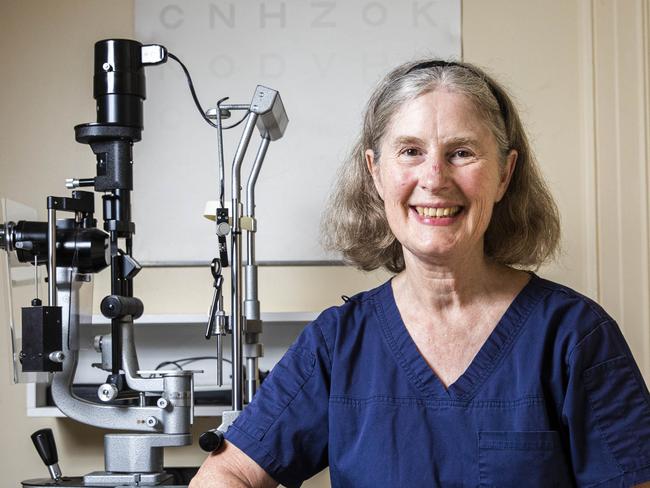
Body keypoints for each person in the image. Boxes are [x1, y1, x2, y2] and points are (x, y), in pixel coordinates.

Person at [190, 60, 650, 487]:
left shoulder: (574, 336)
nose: (434, 178)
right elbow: (228, 471)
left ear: (505, 174)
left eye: (462, 152)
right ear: (376, 172)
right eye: (410, 151)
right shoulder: (338, 343)